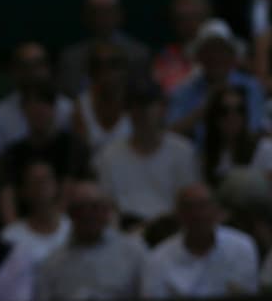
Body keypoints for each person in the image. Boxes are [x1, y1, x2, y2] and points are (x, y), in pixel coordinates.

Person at [93, 80, 199, 230]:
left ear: (162, 108)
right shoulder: (108, 156)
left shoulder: (183, 152)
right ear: (128, 111)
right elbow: (107, 204)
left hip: (171, 231)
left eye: (148, 104)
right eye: (136, 106)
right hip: (125, 231)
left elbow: (189, 201)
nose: (142, 111)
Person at [33, 181, 146, 301]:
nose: (88, 214)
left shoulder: (134, 254)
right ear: (70, 214)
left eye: (95, 207)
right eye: (80, 208)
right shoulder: (52, 264)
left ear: (107, 211)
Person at [140, 183, 259, 300]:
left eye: (203, 206)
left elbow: (245, 300)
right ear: (178, 214)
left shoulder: (242, 247)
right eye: (189, 207)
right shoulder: (158, 259)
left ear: (217, 210)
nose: (198, 214)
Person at [0, 80, 89, 225]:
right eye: (32, 106)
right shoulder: (11, 154)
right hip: (23, 229)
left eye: (44, 105)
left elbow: (68, 193)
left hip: (67, 227)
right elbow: (7, 200)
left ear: (53, 108)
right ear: (23, 111)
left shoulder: (72, 147)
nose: (38, 111)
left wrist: (52, 233)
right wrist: (17, 233)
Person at [166, 18, 266, 143]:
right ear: (199, 57)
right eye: (209, 51)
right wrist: (207, 106)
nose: (215, 57)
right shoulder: (184, 91)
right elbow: (169, 135)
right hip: (199, 159)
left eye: (221, 51)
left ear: (232, 56)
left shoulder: (251, 87)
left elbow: (254, 129)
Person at [54, 0, 151, 96]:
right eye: (96, 11)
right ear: (86, 15)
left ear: (119, 14)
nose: (102, 17)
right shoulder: (70, 58)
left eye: (108, 11)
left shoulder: (139, 54)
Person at [0, 42, 74, 157]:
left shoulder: (68, 109)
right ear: (14, 71)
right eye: (25, 66)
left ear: (48, 68)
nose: (32, 72)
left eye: (38, 65)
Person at [199, 85, 272, 187]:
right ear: (214, 117)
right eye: (224, 111)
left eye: (239, 110)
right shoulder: (206, 157)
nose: (232, 116)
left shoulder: (264, 149)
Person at [70, 42, 133, 156]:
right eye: (99, 66)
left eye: (113, 65)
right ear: (92, 72)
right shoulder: (81, 106)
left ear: (124, 70)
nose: (106, 72)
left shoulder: (136, 103)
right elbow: (80, 156)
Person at [152, 0, 212, 95]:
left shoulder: (226, 54)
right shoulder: (165, 58)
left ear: (206, 17)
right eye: (182, 18)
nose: (188, 24)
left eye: (194, 16)